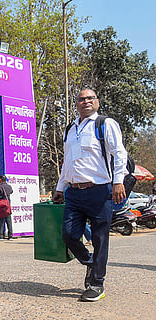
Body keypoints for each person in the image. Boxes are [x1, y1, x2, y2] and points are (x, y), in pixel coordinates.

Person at [52, 88, 128, 302]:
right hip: (74, 193)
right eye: (81, 99)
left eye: (89, 98)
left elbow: (119, 153)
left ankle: (96, 284)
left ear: (96, 101)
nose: (85, 102)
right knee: (68, 235)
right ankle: (90, 262)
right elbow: (67, 162)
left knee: (99, 238)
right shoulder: (70, 128)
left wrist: (118, 181)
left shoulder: (105, 124)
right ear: (76, 104)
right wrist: (60, 187)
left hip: (100, 191)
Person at [0, 175, 13, 240]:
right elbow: (11, 192)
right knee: (9, 221)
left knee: (0, 220)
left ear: (0, 179)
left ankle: (0, 236)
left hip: (0, 206)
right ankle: (10, 236)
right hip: (7, 205)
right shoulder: (9, 186)